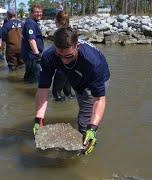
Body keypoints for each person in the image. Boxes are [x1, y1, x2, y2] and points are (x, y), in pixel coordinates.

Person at [33, 27, 110, 155]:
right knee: (81, 100)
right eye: (60, 56)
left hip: (93, 78)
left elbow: (99, 99)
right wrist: (38, 119)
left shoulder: (94, 63)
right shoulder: (49, 56)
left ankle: (84, 150)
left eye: (68, 56)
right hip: (75, 74)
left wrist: (93, 128)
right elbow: (43, 89)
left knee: (85, 122)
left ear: (77, 46)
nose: (64, 60)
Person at [52, 11, 75, 101]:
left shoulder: (59, 33)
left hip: (61, 66)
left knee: (56, 94)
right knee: (68, 93)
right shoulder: (72, 31)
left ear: (58, 21)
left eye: (55, 21)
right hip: (71, 66)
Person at [21, 4, 44, 83]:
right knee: (35, 79)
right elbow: (31, 40)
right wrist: (37, 54)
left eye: (40, 12)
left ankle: (23, 92)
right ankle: (32, 94)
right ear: (31, 13)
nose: (39, 14)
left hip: (31, 55)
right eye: (37, 12)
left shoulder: (32, 22)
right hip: (32, 56)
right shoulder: (30, 23)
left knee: (29, 78)